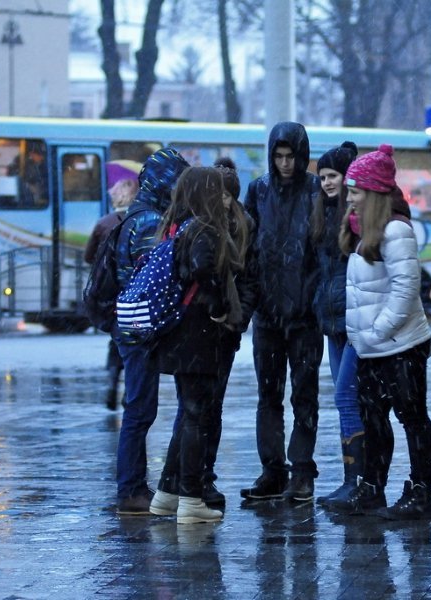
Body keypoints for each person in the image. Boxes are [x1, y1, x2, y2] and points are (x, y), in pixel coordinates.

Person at [330, 144, 431, 520]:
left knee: (412, 418)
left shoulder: (396, 230)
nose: (349, 198)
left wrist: (378, 330)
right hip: (372, 346)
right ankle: (372, 488)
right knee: (374, 420)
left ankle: (420, 494)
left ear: (373, 192)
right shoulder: (363, 231)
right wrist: (365, 337)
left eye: (355, 191)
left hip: (401, 345)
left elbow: (405, 289)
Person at [149, 159, 256, 516]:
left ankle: (167, 493)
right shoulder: (204, 229)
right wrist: (221, 307)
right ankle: (191, 500)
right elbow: (204, 270)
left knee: (189, 413)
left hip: (180, 333)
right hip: (199, 334)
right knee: (197, 415)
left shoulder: (177, 226)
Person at [240, 122, 324, 504]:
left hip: (304, 314)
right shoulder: (258, 190)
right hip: (268, 312)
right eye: (279, 156)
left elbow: (321, 249)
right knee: (268, 395)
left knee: (304, 395)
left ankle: (301, 470)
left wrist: (312, 296)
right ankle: (272, 470)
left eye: (291, 156)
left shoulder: (315, 190)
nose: (285, 163)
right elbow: (247, 246)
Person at [113, 146, 191, 515]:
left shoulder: (137, 213)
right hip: (140, 330)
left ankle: (133, 486)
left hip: (131, 327)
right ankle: (131, 490)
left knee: (138, 408)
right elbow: (154, 279)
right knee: (140, 411)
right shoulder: (148, 222)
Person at [309, 141, 363, 508]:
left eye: (333, 176)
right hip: (331, 319)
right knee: (344, 400)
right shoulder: (322, 214)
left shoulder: (355, 218)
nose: (327, 182)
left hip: (355, 319)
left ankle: (359, 480)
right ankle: (351, 479)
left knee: (347, 396)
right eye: (323, 177)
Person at [84, 159, 141, 411]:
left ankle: (111, 380)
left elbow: (89, 257)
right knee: (136, 340)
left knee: (117, 338)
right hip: (137, 291)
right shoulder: (145, 220)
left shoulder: (104, 223)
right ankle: (131, 390)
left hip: (111, 294)